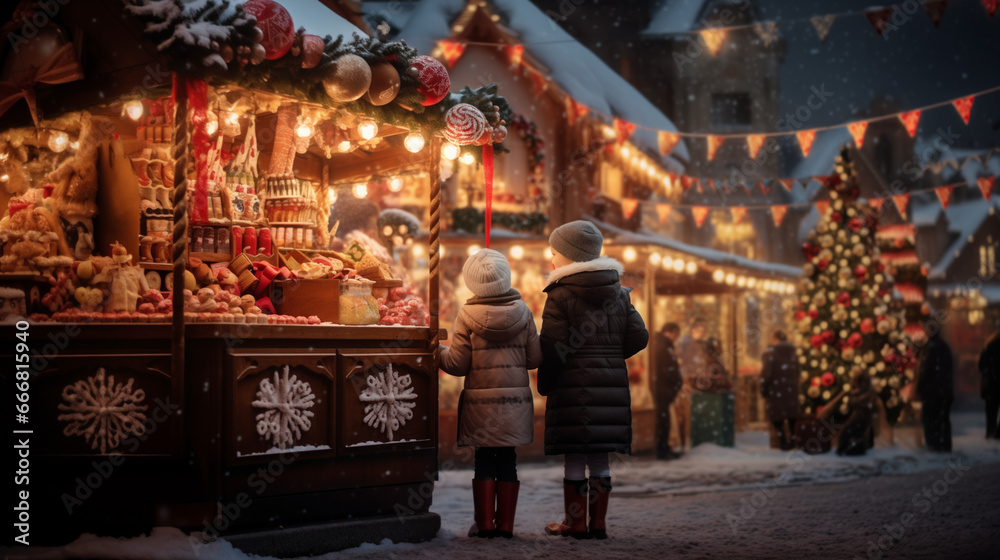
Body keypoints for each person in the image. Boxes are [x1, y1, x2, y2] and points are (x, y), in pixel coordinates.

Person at [537, 220, 648, 540]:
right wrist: (609, 356)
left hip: (572, 387)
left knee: (575, 457)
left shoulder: (559, 295)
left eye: (554, 252)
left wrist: (546, 383)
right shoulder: (619, 293)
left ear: (570, 257)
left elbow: (553, 348)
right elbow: (639, 336)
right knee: (600, 457)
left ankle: (575, 522)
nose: (551, 259)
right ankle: (598, 524)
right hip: (611, 386)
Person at [439, 249, 542, 539]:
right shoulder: (524, 312)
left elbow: (457, 365)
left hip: (481, 405)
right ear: (506, 276)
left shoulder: (466, 315)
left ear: (472, 283)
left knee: (484, 459)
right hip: (513, 405)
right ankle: (506, 526)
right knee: (508, 460)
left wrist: (437, 351)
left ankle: (484, 525)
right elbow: (534, 360)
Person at [820, 368, 880, 456]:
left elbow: (857, 415)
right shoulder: (852, 394)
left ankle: (855, 445)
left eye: (854, 380)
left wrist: (846, 427)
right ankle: (854, 445)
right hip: (857, 425)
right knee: (848, 434)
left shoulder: (866, 397)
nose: (852, 382)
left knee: (850, 433)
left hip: (859, 423)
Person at [760, 330, 802, 450]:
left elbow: (766, 374)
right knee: (791, 417)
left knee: (777, 418)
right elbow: (798, 371)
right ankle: (793, 440)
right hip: (791, 389)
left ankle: (783, 441)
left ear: (775, 339)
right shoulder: (793, 353)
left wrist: (764, 389)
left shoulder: (771, 353)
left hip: (776, 390)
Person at [917, 329, 955, 452]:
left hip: (932, 392)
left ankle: (933, 444)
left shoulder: (930, 349)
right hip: (945, 391)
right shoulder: (945, 347)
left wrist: (920, 387)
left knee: (930, 419)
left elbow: (925, 371)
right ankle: (945, 444)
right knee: (943, 418)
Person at [674, 317, 709, 449]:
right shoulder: (685, 343)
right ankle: (686, 439)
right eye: (699, 329)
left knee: (697, 410)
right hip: (687, 380)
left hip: (699, 380)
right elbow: (680, 359)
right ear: (693, 330)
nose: (701, 332)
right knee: (686, 412)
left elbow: (703, 361)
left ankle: (696, 437)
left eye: (703, 330)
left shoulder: (702, 344)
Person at [654, 323, 683, 459]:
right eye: (676, 334)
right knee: (663, 421)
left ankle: (664, 447)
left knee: (665, 420)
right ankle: (662, 449)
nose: (676, 338)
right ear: (671, 332)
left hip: (664, 389)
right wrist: (674, 382)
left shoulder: (663, 345)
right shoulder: (663, 347)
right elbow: (667, 369)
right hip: (663, 389)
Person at [979, 326, 1000, 439]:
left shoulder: (989, 345)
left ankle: (990, 433)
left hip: (991, 385)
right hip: (996, 383)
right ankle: (997, 434)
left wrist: (988, 374)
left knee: (991, 411)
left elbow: (982, 365)